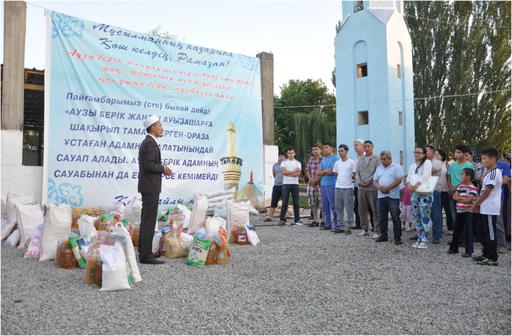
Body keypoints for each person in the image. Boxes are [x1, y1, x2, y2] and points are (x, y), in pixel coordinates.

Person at [138, 115, 172, 265]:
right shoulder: (149, 143)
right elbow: (148, 165)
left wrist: (161, 167)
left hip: (149, 186)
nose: (162, 128)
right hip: (150, 187)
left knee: (148, 221)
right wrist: (163, 168)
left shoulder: (150, 142)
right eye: (160, 125)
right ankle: (145, 256)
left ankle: (145, 252)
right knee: (148, 221)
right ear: (153, 128)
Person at [472, 148, 503, 266]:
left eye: (485, 158)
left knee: (490, 233)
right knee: (483, 232)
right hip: (485, 207)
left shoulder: (495, 172)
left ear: (493, 159)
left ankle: (492, 257)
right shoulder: (489, 172)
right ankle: (486, 254)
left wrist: (476, 204)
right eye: (482, 158)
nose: (483, 161)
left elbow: (487, 192)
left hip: (490, 207)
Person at [373, 151, 404, 244]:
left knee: (395, 217)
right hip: (381, 196)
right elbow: (374, 181)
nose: (382, 161)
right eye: (381, 159)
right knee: (382, 217)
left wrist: (387, 188)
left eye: (384, 159)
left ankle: (397, 238)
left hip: (392, 196)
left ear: (390, 159)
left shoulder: (396, 167)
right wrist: (379, 188)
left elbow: (399, 179)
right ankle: (383, 235)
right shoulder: (379, 168)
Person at [406, 147, 433, 249]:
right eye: (415, 152)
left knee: (425, 216)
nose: (416, 154)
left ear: (424, 154)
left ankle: (425, 238)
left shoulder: (427, 163)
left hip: (424, 194)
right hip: (414, 194)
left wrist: (415, 186)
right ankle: (419, 237)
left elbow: (425, 176)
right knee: (416, 217)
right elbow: (408, 177)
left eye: (419, 152)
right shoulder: (412, 165)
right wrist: (409, 185)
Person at [448, 168, 478, 257]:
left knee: (468, 231)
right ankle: (453, 248)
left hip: (468, 212)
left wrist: (460, 199)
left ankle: (468, 251)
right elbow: (454, 196)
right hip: (460, 211)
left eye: (462, 174)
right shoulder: (460, 186)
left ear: (468, 177)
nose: (461, 176)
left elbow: (469, 200)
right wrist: (463, 199)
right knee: (456, 229)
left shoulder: (473, 188)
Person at [356, 140, 380, 238]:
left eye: (368, 146)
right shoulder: (360, 159)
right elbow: (357, 172)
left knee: (375, 209)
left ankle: (377, 230)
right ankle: (364, 228)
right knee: (361, 209)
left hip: (372, 188)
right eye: (365, 146)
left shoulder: (377, 158)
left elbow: (377, 172)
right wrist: (359, 181)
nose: (366, 148)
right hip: (361, 188)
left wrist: (367, 181)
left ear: (373, 146)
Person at [447, 144, 474, 230]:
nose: (456, 154)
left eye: (459, 152)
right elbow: (448, 176)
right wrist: (450, 187)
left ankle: (463, 238)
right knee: (453, 214)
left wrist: (455, 188)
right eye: (455, 152)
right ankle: (457, 237)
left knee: (462, 214)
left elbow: (466, 180)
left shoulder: (469, 165)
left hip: (463, 193)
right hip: (452, 193)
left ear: (465, 153)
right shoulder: (452, 165)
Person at [333, 144, 356, 234]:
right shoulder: (337, 163)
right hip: (338, 187)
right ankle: (340, 225)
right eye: (339, 151)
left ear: (346, 151)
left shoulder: (351, 162)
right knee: (338, 207)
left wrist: (348, 180)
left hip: (348, 187)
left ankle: (349, 226)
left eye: (342, 151)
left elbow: (354, 174)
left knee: (349, 207)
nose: (340, 153)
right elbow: (336, 173)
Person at [318, 143, 339, 231]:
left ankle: (337, 224)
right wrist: (325, 171)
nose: (325, 149)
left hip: (332, 184)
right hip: (323, 184)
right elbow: (319, 172)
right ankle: (327, 224)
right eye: (324, 148)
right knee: (325, 206)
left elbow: (332, 171)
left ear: (331, 148)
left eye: (327, 147)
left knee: (333, 205)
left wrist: (323, 172)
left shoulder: (336, 159)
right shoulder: (324, 159)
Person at [279, 147, 302, 226]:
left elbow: (298, 173)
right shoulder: (284, 162)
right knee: (284, 202)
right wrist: (293, 172)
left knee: (296, 202)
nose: (290, 154)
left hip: (295, 184)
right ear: (287, 154)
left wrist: (288, 172)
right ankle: (282, 219)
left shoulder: (298, 163)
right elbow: (283, 172)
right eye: (289, 153)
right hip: (286, 184)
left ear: (294, 154)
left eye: (292, 153)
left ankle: (297, 219)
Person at [493, 153, 510, 254]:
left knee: (499, 221)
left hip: (499, 197)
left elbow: (505, 180)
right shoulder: (485, 166)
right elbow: (482, 180)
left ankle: (502, 245)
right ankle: (491, 244)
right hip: (486, 198)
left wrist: (492, 182)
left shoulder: (504, 166)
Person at [426, 145, 443, 244]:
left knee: (435, 213)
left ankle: (437, 235)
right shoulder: (423, 163)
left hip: (434, 191)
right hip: (423, 191)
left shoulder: (437, 163)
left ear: (432, 152)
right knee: (422, 213)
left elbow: (428, 171)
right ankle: (422, 232)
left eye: (427, 151)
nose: (425, 152)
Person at [435, 149, 454, 233]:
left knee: (448, 210)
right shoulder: (433, 165)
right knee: (437, 211)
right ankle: (440, 228)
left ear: (442, 156)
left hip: (446, 190)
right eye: (435, 154)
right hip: (437, 190)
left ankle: (450, 228)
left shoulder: (448, 164)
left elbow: (451, 176)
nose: (435, 156)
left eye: (437, 154)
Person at [265, 151, 286, 222]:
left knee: (284, 202)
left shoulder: (286, 164)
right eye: (280, 156)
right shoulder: (275, 165)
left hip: (284, 185)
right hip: (276, 185)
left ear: (285, 157)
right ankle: (270, 217)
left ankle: (283, 217)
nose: (281, 157)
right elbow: (274, 175)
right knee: (273, 201)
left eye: (282, 156)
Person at [306, 145, 323, 227]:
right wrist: (310, 178)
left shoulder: (323, 160)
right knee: (313, 203)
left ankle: (323, 220)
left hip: (320, 184)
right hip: (311, 184)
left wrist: (316, 179)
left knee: (322, 203)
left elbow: (323, 171)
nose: (315, 151)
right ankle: (315, 220)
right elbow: (308, 170)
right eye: (313, 149)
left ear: (320, 150)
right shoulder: (311, 159)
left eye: (316, 149)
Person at [352, 139, 366, 229]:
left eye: (357, 145)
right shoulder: (356, 158)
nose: (355, 147)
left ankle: (370, 225)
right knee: (356, 206)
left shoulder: (366, 157)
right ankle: (358, 224)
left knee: (366, 206)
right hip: (357, 185)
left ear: (362, 146)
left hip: (365, 185)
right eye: (354, 145)